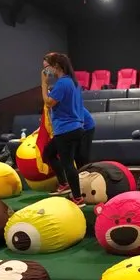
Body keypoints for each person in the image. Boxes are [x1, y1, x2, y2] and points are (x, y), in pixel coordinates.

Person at [41, 52, 85, 207]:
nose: (46, 71)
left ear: (56, 67)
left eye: (48, 68)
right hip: (73, 128)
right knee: (48, 153)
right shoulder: (72, 82)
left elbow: (48, 102)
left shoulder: (62, 83)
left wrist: (44, 84)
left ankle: (78, 198)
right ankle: (64, 183)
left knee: (67, 163)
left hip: (66, 129)